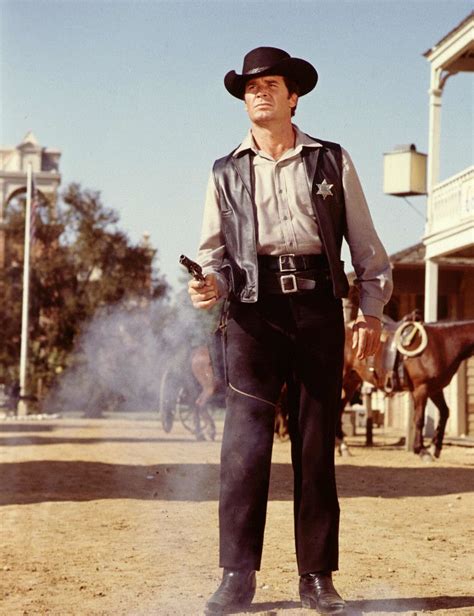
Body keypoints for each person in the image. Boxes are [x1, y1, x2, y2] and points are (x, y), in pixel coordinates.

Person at [188, 46, 393, 614]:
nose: (260, 93)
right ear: (244, 101)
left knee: (314, 442)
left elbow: (367, 247)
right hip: (252, 316)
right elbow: (212, 255)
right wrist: (208, 284)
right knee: (243, 447)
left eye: (271, 85)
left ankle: (317, 577)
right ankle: (237, 576)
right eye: (251, 88)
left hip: (318, 310)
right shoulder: (224, 170)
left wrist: (371, 311)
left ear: (293, 97)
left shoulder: (331, 160)